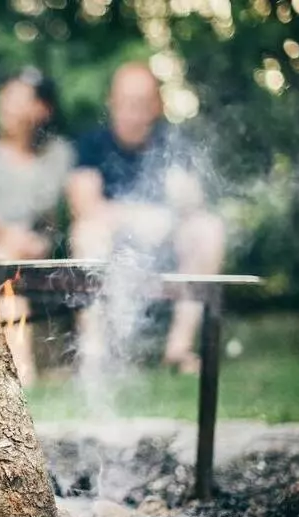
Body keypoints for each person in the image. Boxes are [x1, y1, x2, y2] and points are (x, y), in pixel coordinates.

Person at [66, 62, 225, 374]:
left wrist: (178, 206)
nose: (133, 111)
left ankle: (178, 350)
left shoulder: (174, 143)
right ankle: (95, 352)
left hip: (166, 246)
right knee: (86, 233)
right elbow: (84, 205)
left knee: (209, 230)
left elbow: (194, 204)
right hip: (113, 245)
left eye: (141, 102)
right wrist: (135, 216)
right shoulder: (91, 144)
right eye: (126, 101)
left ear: (157, 106)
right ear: (111, 102)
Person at [0, 67, 74, 385]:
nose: (8, 105)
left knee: (11, 259)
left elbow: (52, 218)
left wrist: (38, 239)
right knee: (6, 259)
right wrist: (7, 234)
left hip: (30, 245)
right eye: (6, 96)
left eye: (21, 99)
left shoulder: (58, 154)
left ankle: (17, 365)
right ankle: (19, 365)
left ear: (43, 110)